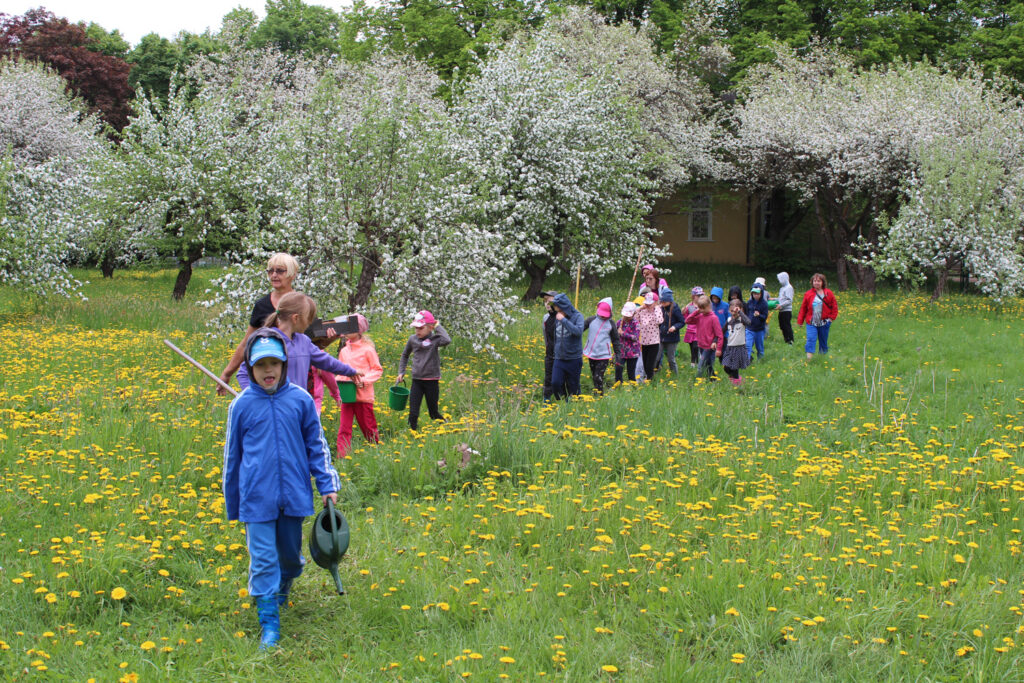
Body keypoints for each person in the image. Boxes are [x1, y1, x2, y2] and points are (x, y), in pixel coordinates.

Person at [222, 328, 340, 649]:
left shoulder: (300, 401)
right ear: (249, 368)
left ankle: (284, 585)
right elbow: (233, 458)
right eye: (261, 365)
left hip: (294, 495)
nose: (268, 371)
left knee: (290, 556)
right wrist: (234, 502)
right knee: (262, 559)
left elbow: (317, 446)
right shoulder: (241, 406)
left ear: (285, 364)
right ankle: (269, 623)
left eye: (274, 363)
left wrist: (327, 483)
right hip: (256, 498)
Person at [237, 292, 362, 391]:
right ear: (296, 318)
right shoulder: (268, 342)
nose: (309, 324)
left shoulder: (304, 341)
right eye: (309, 319)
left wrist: (350, 371)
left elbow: (326, 361)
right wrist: (253, 398)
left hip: (298, 408)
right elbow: (243, 373)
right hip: (276, 410)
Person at [218, 253, 299, 394]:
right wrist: (227, 373)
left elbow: (312, 343)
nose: (274, 275)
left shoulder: (301, 304)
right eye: (270, 271)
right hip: (266, 374)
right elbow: (247, 343)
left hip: (295, 375)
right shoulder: (261, 305)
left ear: (292, 274)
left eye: (280, 271)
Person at [336, 315, 382, 457]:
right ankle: (342, 456)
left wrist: (364, 381)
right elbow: (341, 370)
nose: (347, 330)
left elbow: (377, 369)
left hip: (363, 397)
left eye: (351, 327)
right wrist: (339, 388)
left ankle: (376, 451)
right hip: (347, 396)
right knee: (344, 427)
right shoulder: (344, 351)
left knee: (368, 426)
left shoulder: (368, 349)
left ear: (359, 330)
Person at [397, 311, 451, 429]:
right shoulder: (413, 339)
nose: (417, 331)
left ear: (430, 328)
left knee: (433, 413)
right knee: (413, 412)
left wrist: (437, 326)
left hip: (431, 381)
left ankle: (446, 426)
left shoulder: (435, 339)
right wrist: (401, 372)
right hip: (417, 381)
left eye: (421, 328)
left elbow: (447, 340)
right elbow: (405, 355)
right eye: (416, 328)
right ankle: (412, 433)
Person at [547, 293, 584, 400]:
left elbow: (578, 332)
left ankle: (574, 406)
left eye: (557, 307)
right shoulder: (556, 316)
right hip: (559, 358)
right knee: (555, 383)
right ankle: (562, 401)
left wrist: (564, 320)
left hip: (574, 358)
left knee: (574, 387)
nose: (556, 309)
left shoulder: (578, 316)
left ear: (564, 306)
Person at [582, 298, 621, 395]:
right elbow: (579, 329)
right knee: (594, 375)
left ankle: (599, 395)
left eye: (605, 314)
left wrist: (618, 354)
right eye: (601, 314)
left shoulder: (611, 324)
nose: (603, 316)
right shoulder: (591, 320)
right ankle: (596, 391)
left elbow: (615, 340)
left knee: (598, 376)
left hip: (603, 355)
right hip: (591, 353)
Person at [797, 273, 839, 359]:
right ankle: (809, 359)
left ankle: (822, 359)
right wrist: (800, 321)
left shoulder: (829, 293)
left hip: (824, 322)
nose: (816, 283)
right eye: (815, 281)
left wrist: (831, 319)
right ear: (812, 282)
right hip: (811, 322)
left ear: (823, 282)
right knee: (811, 339)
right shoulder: (808, 294)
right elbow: (803, 308)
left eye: (819, 281)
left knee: (823, 342)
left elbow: (834, 307)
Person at [685, 294, 723, 381]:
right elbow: (687, 320)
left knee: (700, 365)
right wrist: (696, 311)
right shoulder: (700, 316)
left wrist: (719, 349)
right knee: (708, 365)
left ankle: (698, 381)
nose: (701, 310)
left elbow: (719, 335)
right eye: (700, 308)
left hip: (709, 346)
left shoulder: (714, 318)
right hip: (701, 345)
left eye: (703, 308)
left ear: (709, 306)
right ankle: (713, 379)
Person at [722, 300, 751, 386]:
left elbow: (749, 322)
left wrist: (740, 312)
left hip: (739, 347)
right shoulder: (729, 320)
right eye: (731, 311)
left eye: (735, 311)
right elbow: (722, 331)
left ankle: (736, 384)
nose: (733, 313)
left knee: (735, 367)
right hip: (730, 347)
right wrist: (715, 340)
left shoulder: (742, 319)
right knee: (726, 367)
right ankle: (737, 378)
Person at [636, 292, 663, 382]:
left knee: (649, 365)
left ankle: (650, 381)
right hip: (644, 341)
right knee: (645, 363)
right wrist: (640, 308)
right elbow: (635, 319)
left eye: (650, 303)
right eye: (646, 303)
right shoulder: (643, 311)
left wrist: (655, 308)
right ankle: (648, 380)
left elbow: (659, 321)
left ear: (655, 302)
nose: (648, 305)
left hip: (654, 342)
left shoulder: (657, 310)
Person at [658, 288, 684, 375]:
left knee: (670, 359)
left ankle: (675, 375)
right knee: (657, 357)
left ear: (669, 301)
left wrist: (674, 327)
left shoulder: (675, 309)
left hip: (672, 338)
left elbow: (682, 322)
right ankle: (654, 373)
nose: (662, 303)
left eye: (664, 302)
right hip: (661, 337)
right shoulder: (661, 308)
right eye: (661, 301)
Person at [615, 302, 640, 384]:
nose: (626, 317)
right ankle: (618, 386)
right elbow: (615, 336)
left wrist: (623, 333)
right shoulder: (619, 323)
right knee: (618, 369)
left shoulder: (635, 323)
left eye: (628, 316)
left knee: (631, 372)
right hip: (621, 351)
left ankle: (633, 389)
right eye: (625, 315)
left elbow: (635, 337)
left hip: (632, 352)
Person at [540, 291, 558, 400]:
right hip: (550, 354)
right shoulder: (545, 318)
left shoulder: (562, 316)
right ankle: (546, 401)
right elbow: (545, 337)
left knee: (560, 380)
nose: (547, 303)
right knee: (548, 379)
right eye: (545, 301)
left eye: (549, 300)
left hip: (562, 354)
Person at [744, 286, 769, 360]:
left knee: (759, 347)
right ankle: (746, 361)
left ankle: (760, 360)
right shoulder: (749, 302)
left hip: (759, 329)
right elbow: (747, 313)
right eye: (754, 294)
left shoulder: (764, 304)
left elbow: (765, 316)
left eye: (758, 294)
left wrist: (759, 315)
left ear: (761, 294)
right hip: (750, 328)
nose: (756, 295)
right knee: (747, 346)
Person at [682, 287, 701, 367]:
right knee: (692, 347)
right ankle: (694, 362)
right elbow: (685, 318)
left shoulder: (702, 306)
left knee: (696, 346)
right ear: (693, 296)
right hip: (690, 330)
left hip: (699, 330)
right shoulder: (689, 307)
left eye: (701, 295)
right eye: (698, 295)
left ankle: (695, 362)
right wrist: (683, 312)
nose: (700, 297)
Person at [776, 272, 795, 345]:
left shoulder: (789, 288)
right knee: (782, 325)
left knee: (786, 325)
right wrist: (774, 299)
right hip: (781, 310)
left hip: (786, 310)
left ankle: (790, 340)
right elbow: (781, 298)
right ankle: (786, 339)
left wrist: (781, 305)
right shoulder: (782, 288)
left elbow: (789, 300)